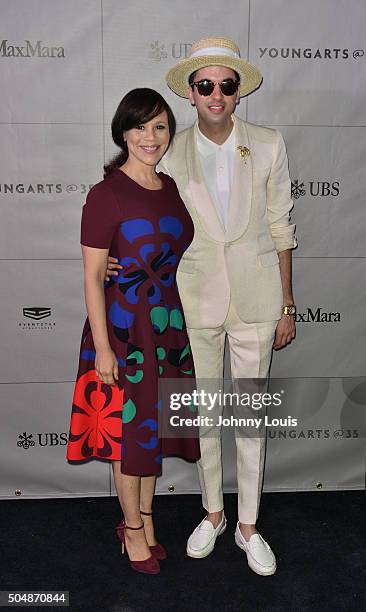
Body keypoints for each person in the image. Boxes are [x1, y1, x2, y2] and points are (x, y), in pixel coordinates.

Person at [107, 37, 297, 576]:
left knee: (250, 418)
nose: (216, 94)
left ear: (238, 92)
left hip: (259, 301)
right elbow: (138, 199)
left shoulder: (269, 143)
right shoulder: (170, 147)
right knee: (207, 415)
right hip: (192, 303)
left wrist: (288, 304)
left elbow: (283, 227)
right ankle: (213, 513)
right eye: (205, 84)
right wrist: (113, 260)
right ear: (191, 93)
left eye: (226, 85)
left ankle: (248, 525)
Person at [67, 88, 200, 575]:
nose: (151, 137)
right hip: (124, 331)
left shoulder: (168, 186)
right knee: (131, 435)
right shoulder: (106, 194)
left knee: (153, 433)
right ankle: (133, 531)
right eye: (140, 127)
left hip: (166, 323)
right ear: (123, 132)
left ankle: (143, 517)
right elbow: (91, 276)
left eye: (160, 127)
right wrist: (103, 348)